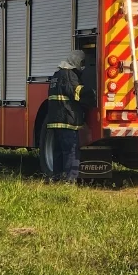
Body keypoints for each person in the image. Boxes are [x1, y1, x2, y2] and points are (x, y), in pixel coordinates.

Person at [45, 50, 96, 183]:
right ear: (76, 61)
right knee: (71, 152)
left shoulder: (56, 75)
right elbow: (77, 92)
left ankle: (56, 178)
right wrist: (93, 94)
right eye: (82, 62)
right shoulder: (69, 75)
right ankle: (69, 180)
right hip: (66, 121)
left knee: (58, 152)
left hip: (55, 121)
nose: (83, 66)